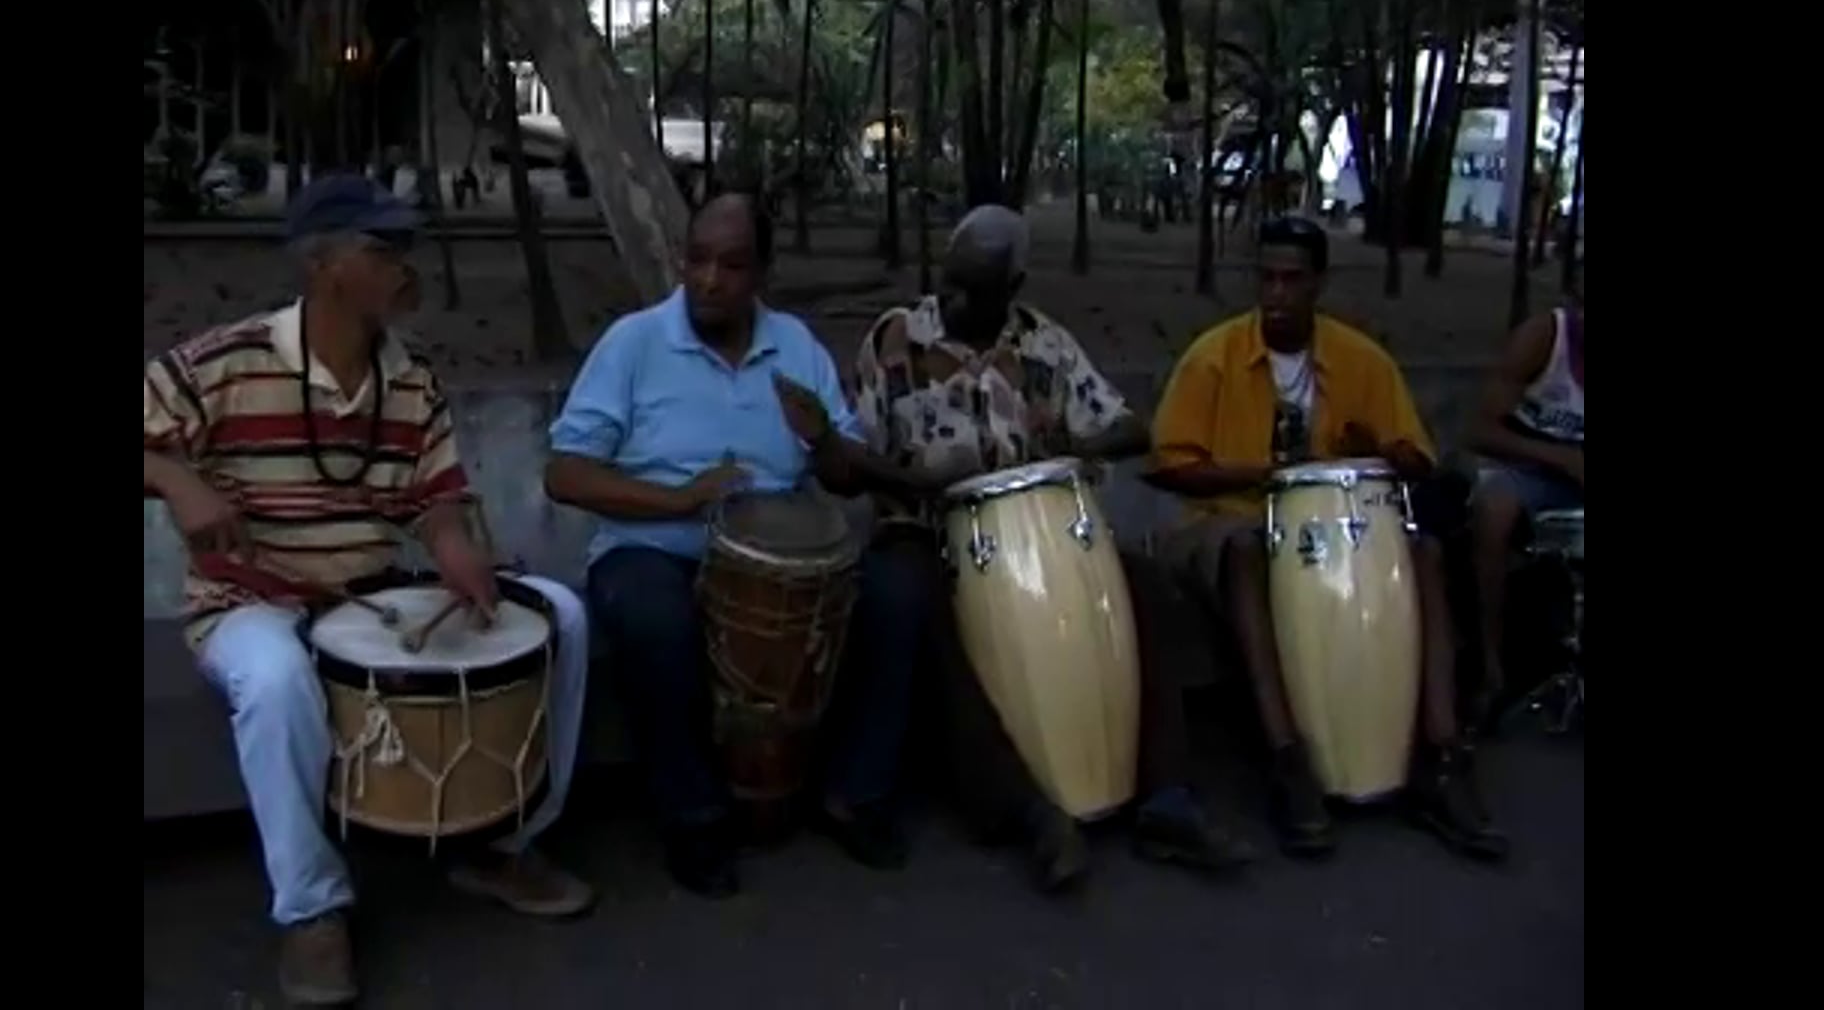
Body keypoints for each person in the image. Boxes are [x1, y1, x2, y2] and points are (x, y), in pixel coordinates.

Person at [142, 175, 595, 1007]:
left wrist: (455, 543)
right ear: (323, 265)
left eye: (405, 247)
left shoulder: (410, 372)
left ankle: (503, 845)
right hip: (249, 606)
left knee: (560, 615)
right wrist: (174, 477)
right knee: (276, 679)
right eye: (382, 250)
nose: (404, 266)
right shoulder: (224, 361)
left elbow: (437, 495)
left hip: (372, 597)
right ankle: (313, 911)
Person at [848, 205, 1254, 894]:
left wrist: (1077, 446)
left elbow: (1131, 429)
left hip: (1044, 530)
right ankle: (1024, 809)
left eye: (973, 290)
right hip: (927, 525)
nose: (952, 301)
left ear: (1014, 286)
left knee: (1145, 586)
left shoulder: (1046, 344)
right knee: (925, 608)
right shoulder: (895, 339)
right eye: (948, 282)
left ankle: (1166, 798)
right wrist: (916, 483)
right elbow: (855, 453)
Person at [545, 193, 929, 899]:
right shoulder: (635, 343)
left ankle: (856, 792)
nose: (709, 280)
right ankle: (693, 817)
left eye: (732, 264)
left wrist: (820, 437)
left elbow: (844, 482)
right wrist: (680, 499)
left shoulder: (796, 347)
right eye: (696, 260)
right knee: (652, 616)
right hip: (654, 545)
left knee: (897, 596)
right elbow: (564, 474)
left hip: (783, 558)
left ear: (762, 274)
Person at [1144, 215, 1508, 862]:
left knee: (1423, 547)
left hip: (1337, 520)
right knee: (1251, 549)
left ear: (1319, 284)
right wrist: (1263, 473)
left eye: (1292, 280)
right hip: (1224, 517)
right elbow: (1170, 465)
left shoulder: (1362, 360)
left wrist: (1384, 451)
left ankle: (1441, 754)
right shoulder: (1214, 358)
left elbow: (1419, 461)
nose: (1276, 294)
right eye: (1266, 278)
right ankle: (1287, 759)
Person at [1467, 289, 1585, 711]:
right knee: (1493, 509)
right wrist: (1559, 457)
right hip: (1524, 465)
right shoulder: (1543, 339)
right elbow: (1481, 431)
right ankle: (1491, 662)